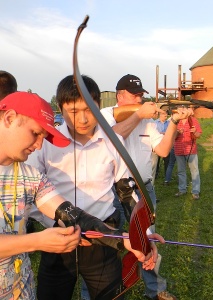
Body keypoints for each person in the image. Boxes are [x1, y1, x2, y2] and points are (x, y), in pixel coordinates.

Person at [27, 75, 162, 300]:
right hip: (58, 239)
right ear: (60, 107)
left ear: (98, 105)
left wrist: (144, 234)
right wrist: (54, 223)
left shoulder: (112, 141)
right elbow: (31, 192)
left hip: (104, 239)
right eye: (72, 110)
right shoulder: (46, 143)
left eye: (89, 109)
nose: (82, 119)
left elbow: (127, 192)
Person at [0, 91, 144, 299]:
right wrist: (37, 241)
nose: (40, 145)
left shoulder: (30, 176)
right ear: (9, 118)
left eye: (44, 136)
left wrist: (127, 239)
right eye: (35, 133)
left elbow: (71, 214)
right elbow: (37, 240)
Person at [101, 74, 193, 300]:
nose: (140, 99)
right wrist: (139, 114)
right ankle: (106, 290)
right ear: (120, 96)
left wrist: (173, 122)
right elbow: (113, 137)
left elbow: (162, 150)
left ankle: (155, 290)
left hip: (143, 189)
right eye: (135, 95)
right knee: (108, 244)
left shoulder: (148, 122)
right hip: (112, 191)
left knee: (148, 241)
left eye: (141, 96)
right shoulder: (106, 115)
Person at [174, 116, 202, 199]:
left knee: (194, 171)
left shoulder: (193, 120)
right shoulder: (175, 121)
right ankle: (182, 190)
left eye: (183, 108)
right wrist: (178, 133)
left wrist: (195, 131)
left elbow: (198, 135)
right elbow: (172, 137)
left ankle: (195, 191)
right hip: (179, 150)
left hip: (191, 150)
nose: (182, 111)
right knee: (181, 171)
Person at [152, 112, 170, 184]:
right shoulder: (154, 123)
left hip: (166, 144)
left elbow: (170, 132)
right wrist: (162, 133)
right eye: (164, 115)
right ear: (160, 115)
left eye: (166, 115)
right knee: (156, 161)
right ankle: (155, 174)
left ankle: (167, 175)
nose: (165, 116)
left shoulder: (169, 123)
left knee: (167, 160)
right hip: (157, 144)